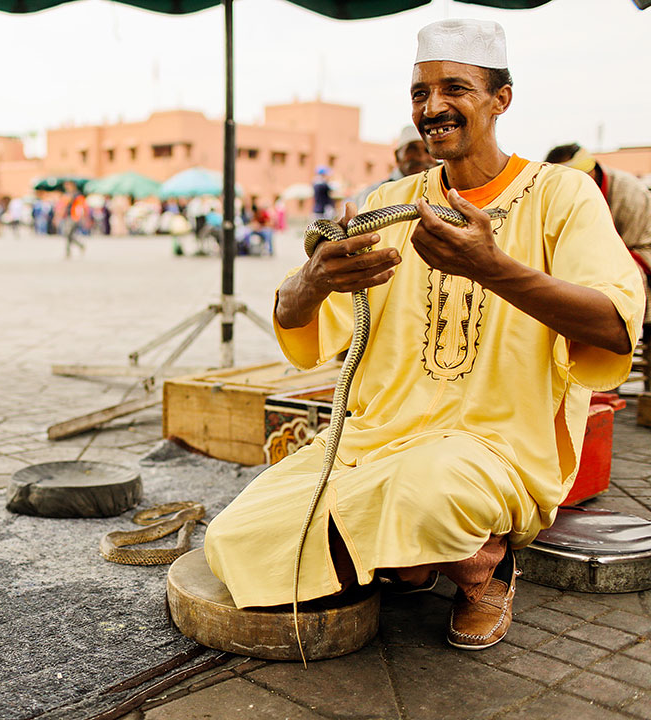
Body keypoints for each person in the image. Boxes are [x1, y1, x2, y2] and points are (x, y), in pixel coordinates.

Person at [204, 18, 643, 652]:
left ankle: (484, 567)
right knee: (234, 538)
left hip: (489, 448)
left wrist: (494, 269)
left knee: (433, 491)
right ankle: (404, 557)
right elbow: (296, 315)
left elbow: (613, 323)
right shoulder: (391, 201)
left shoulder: (563, 196)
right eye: (419, 93)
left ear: (501, 99)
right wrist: (314, 279)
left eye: (455, 89)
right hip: (374, 441)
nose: (433, 108)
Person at [545, 143, 651, 334]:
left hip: (637, 255)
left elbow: (628, 250)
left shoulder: (630, 194)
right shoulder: (557, 194)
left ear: (592, 171)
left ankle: (622, 329)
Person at [350, 125, 439, 209]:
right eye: (412, 150)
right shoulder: (372, 195)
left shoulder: (443, 192)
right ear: (397, 156)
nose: (421, 157)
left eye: (427, 150)